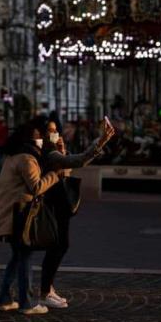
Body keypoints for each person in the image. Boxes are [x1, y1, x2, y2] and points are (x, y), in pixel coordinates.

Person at [38, 116, 115, 308]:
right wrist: (102, 140)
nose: (54, 134)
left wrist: (64, 149)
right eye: (50, 131)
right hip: (53, 205)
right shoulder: (49, 154)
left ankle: (47, 288)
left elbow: (72, 162)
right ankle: (44, 291)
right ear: (42, 135)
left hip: (59, 205)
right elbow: (79, 160)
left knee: (59, 246)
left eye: (56, 130)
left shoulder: (57, 151)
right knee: (58, 246)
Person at [0, 123, 59, 315]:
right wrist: (55, 175)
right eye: (39, 136)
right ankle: (27, 303)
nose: (42, 140)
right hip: (19, 215)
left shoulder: (12, 156)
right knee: (25, 257)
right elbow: (36, 186)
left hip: (10, 213)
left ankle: (5, 300)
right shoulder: (27, 159)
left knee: (17, 257)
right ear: (31, 139)